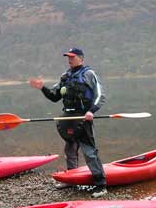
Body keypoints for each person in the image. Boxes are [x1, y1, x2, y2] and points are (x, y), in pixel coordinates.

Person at [29, 47, 107, 197]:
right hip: (67, 118)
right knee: (70, 150)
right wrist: (42, 88)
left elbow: (100, 95)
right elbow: (54, 96)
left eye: (72, 57)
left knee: (89, 152)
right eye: (68, 57)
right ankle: (72, 180)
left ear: (81, 58)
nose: (69, 59)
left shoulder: (89, 74)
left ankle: (101, 185)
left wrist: (92, 111)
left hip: (83, 117)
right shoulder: (65, 76)